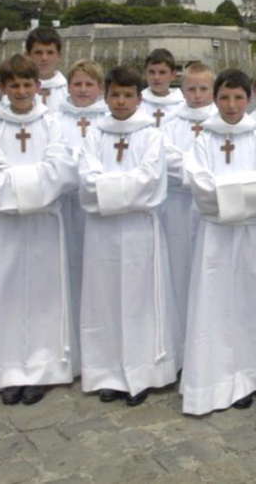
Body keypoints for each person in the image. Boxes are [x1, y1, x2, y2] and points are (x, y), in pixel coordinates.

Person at [0, 54, 77, 405]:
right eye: (15, 86)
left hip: (42, 223)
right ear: (3, 88)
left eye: (28, 85)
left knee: (43, 297)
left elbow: (63, 169)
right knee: (4, 294)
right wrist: (33, 181)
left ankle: (42, 369)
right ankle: (6, 369)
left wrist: (17, 182)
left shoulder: (55, 123)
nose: (22, 91)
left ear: (38, 87)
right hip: (6, 224)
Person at [181, 68, 256, 415]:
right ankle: (214, 379)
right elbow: (199, 186)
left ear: (249, 99)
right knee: (214, 304)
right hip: (214, 237)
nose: (231, 105)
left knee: (250, 302)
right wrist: (242, 190)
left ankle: (253, 374)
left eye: (238, 97)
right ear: (215, 99)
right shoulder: (203, 139)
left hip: (251, 237)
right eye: (224, 97)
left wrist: (225, 189)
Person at [78, 65, 178, 407]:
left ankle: (145, 371)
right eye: (115, 95)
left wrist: (111, 189)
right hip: (103, 232)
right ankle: (108, 372)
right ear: (106, 96)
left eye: (127, 95)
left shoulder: (152, 135)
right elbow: (86, 180)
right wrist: (124, 188)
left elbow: (151, 180)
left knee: (140, 299)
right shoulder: (94, 133)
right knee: (104, 297)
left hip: (138, 230)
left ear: (139, 98)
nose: (121, 102)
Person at [160, 61, 218, 348]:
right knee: (180, 272)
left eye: (203, 89)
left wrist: (202, 176)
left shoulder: (223, 119)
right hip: (179, 208)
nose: (197, 95)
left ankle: (209, 343)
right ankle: (180, 345)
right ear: (181, 90)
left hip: (213, 209)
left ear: (213, 89)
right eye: (191, 89)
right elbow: (167, 159)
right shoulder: (170, 124)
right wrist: (201, 174)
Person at [57, 59, 108, 337]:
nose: (83, 90)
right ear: (69, 86)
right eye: (77, 84)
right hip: (65, 203)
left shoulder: (109, 120)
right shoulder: (55, 119)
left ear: (100, 88)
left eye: (89, 84)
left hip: (97, 205)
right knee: (68, 265)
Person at [25, 26, 67, 111]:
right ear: (28, 56)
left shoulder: (69, 92)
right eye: (38, 52)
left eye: (50, 52)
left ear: (59, 56)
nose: (44, 58)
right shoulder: (17, 91)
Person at [141, 48, 184, 127]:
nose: (156, 77)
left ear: (173, 75)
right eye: (151, 72)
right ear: (145, 74)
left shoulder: (183, 106)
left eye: (162, 72)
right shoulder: (137, 103)